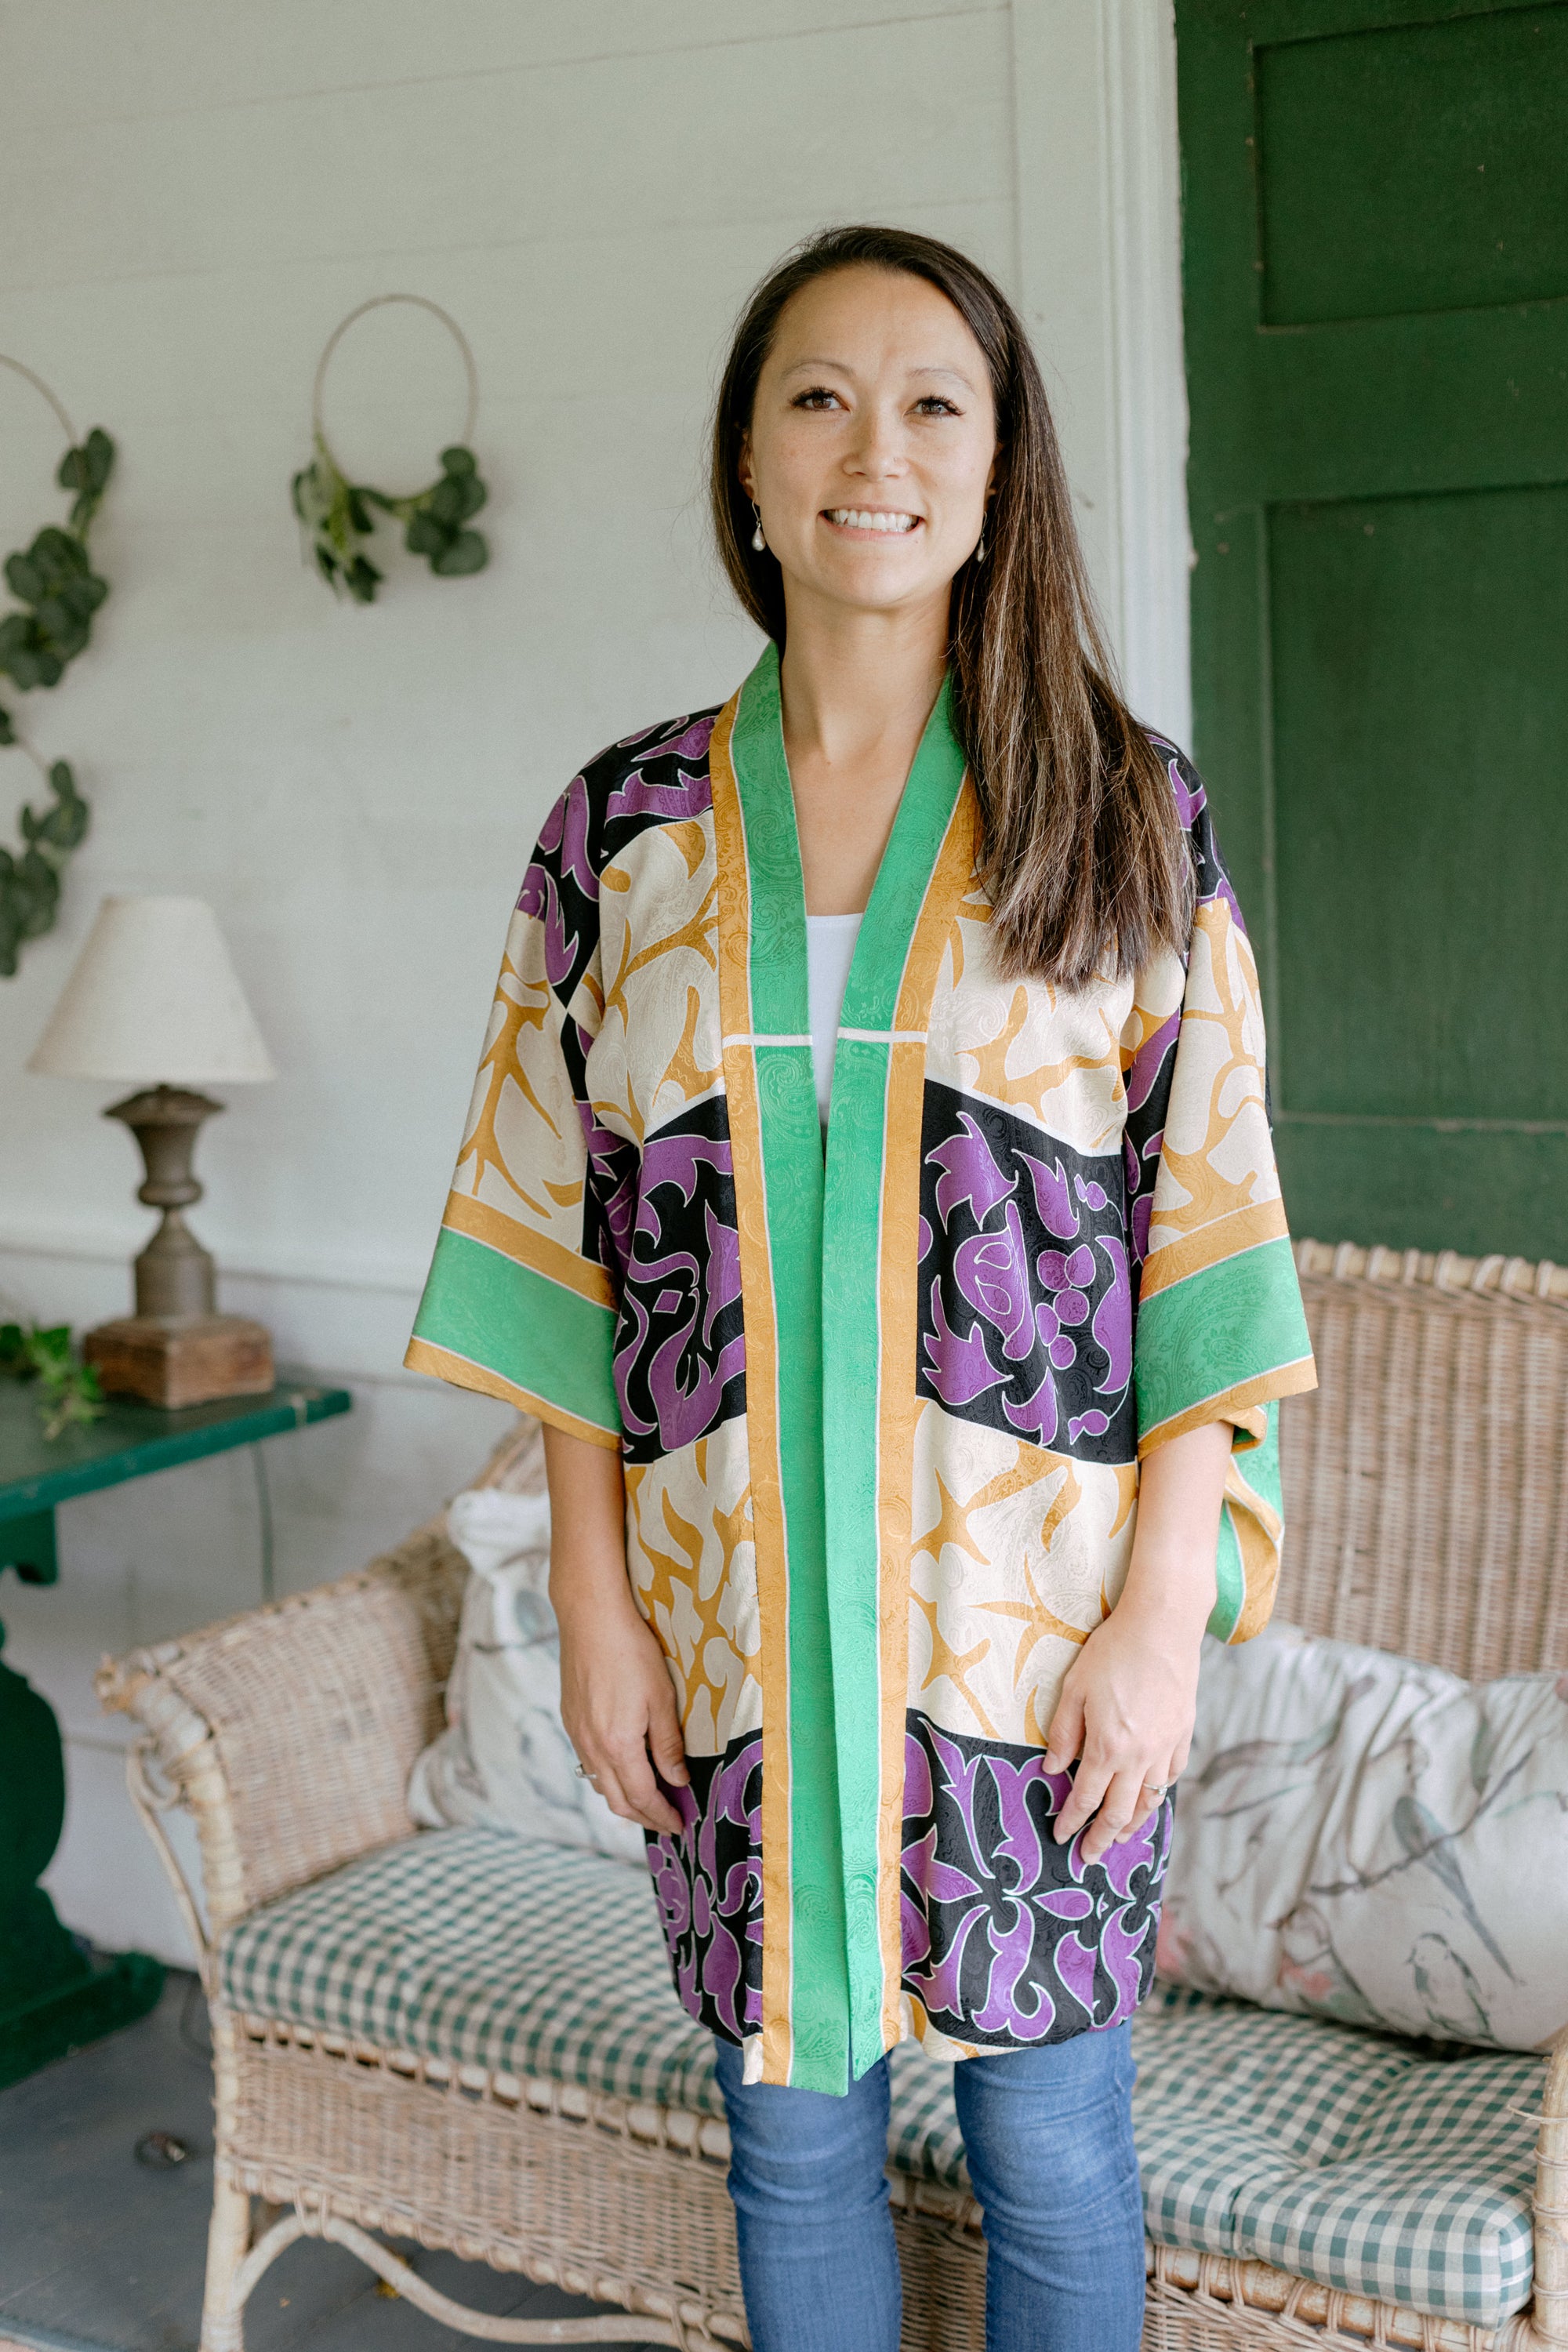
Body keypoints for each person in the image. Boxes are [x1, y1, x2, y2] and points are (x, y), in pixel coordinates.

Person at [407, 223, 1316, 2352]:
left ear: (1001, 477)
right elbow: (568, 1248)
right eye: (818, 394)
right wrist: (599, 1611)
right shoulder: (623, 840)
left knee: (1058, 2157)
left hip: (1038, 1628)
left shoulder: (1119, 809)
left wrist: (1164, 1623)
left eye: (936, 403)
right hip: (734, 1613)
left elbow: (1210, 1228)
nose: (873, 448)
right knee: (790, 2142)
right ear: (746, 460)